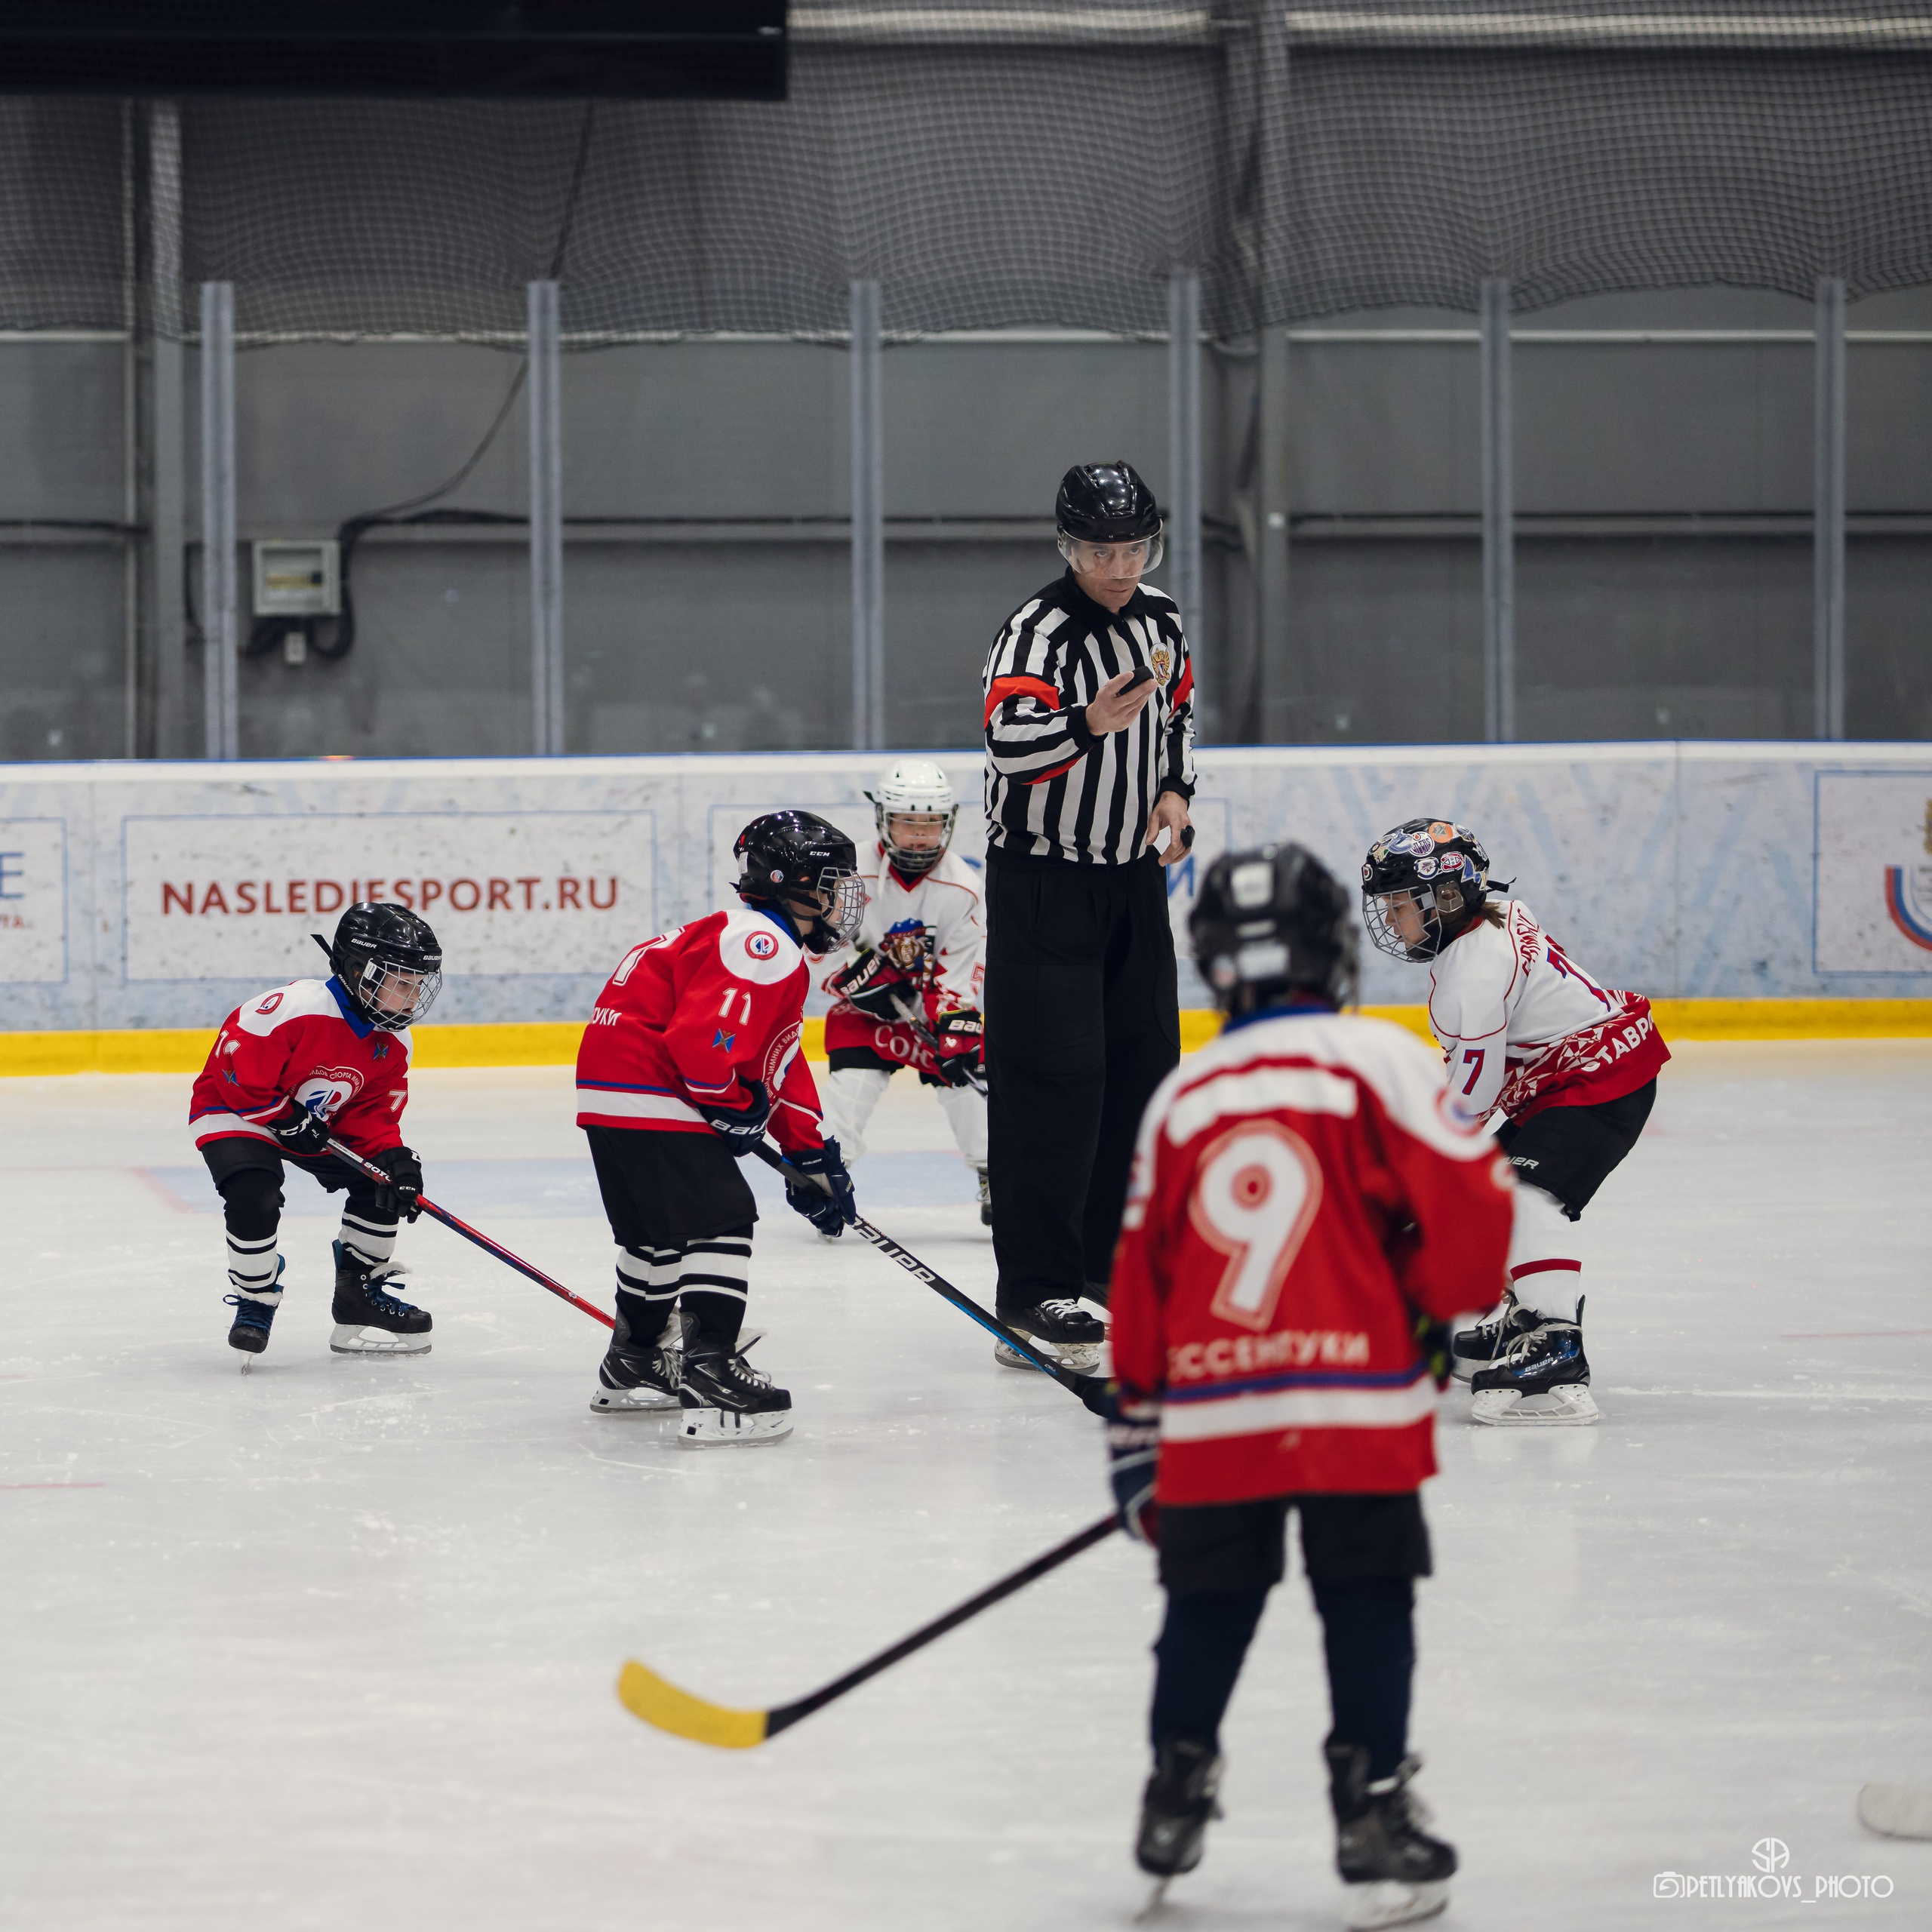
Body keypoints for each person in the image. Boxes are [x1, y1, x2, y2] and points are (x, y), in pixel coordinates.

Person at [1104, 844, 1513, 1930]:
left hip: (1213, 1415)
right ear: (1334, 948)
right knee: (1367, 1602)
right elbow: (1477, 1223)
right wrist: (1426, 1306)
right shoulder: (1380, 1062)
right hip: (1359, 1409)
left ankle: (1174, 1793)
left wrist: (1138, 1431)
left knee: (1208, 1605)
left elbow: (1140, 1281)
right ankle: (1372, 1806)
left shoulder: (1184, 1094)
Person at [980, 459, 1195, 1374]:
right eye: (1102, 550)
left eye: (1134, 547)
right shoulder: (1036, 631)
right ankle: (1034, 1294)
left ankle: (1113, 1277)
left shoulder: (1162, 617)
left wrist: (1177, 793)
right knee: (1051, 1085)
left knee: (1143, 1072)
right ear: (1068, 547)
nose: (1120, 565)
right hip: (1042, 881)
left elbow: (1178, 712)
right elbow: (1006, 742)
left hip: (1131, 882)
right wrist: (1090, 725)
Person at [1361, 817, 1670, 1426]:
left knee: (1520, 1193)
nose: (1392, 920)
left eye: (1401, 905)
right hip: (1575, 1074)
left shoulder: (1472, 977)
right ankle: (1530, 1313)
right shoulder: (1495, 910)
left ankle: (1558, 1345)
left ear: (1447, 899)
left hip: (1598, 1082)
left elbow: (1472, 1101)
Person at [574, 810, 862, 1447]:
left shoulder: (740, 935)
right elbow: (703, 1045)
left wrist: (812, 1155)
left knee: (656, 1237)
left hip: (613, 1092)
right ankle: (712, 1372)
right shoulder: (763, 944)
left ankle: (635, 1362)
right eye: (834, 884)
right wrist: (728, 1102)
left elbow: (778, 1062)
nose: (845, 900)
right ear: (795, 883)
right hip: (655, 1086)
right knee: (721, 1218)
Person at [190, 903, 441, 1359]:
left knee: (381, 1179)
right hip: (238, 1111)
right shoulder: (293, 1009)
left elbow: (370, 1115)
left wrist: (391, 1156)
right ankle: (255, 1297)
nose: (411, 997)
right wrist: (281, 1117)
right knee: (254, 1192)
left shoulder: (393, 1042)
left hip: (309, 1122)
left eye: (418, 985)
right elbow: (233, 1070)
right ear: (357, 969)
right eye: (401, 982)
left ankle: (358, 1297)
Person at [816, 760, 989, 1225]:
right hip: (863, 1014)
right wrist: (850, 978)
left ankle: (995, 1172)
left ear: (947, 823)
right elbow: (821, 950)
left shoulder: (964, 889)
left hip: (927, 1010)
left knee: (971, 1082)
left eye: (930, 824)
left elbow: (960, 977)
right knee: (849, 1090)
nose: (918, 836)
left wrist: (951, 1025)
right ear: (883, 820)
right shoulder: (849, 877)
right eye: (907, 822)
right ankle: (825, 1175)